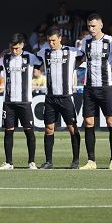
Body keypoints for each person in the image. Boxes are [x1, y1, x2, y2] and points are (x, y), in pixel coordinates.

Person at [77, 14, 112, 170]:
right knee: (89, 122)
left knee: (110, 121)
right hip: (89, 87)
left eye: (94, 26)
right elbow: (79, 59)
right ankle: (91, 161)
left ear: (101, 25)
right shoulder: (85, 42)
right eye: (89, 26)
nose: (91, 29)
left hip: (106, 87)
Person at [36, 26, 82, 170]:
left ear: (60, 38)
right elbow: (30, 59)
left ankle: (75, 161)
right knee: (49, 129)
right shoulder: (44, 52)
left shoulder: (71, 52)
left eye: (54, 41)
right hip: (50, 98)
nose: (51, 43)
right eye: (49, 41)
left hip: (66, 97)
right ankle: (48, 161)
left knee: (72, 128)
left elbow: (86, 55)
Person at [0, 34, 41, 170]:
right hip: (8, 101)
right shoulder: (5, 57)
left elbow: (39, 70)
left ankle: (31, 162)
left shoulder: (30, 57)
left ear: (22, 44)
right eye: (11, 48)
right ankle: (9, 162)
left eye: (16, 48)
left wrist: (37, 72)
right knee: (8, 131)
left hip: (24, 101)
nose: (14, 51)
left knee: (29, 130)